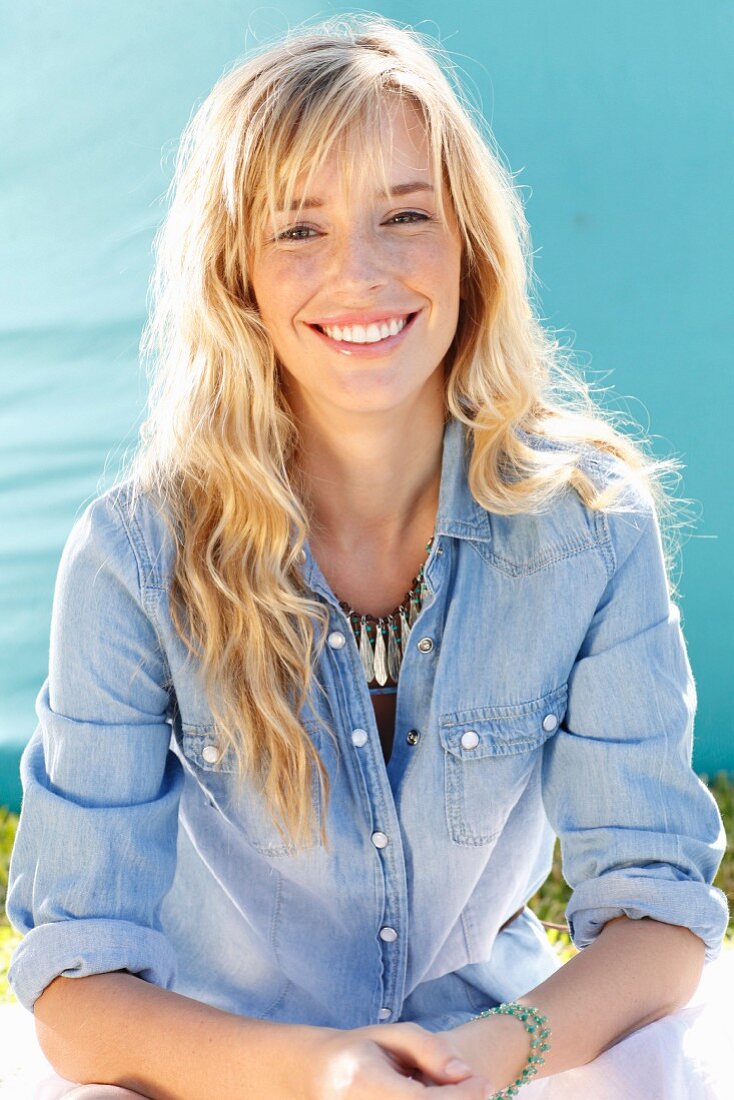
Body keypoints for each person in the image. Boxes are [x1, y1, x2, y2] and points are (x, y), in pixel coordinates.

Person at [6, 14, 730, 1100]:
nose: (360, 272)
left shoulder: (588, 523)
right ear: (236, 275)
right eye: (298, 230)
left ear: (467, 252)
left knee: (656, 1062)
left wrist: (492, 1053)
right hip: (219, 1068)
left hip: (487, 1051)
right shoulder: (130, 557)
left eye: (405, 215)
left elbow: (657, 912)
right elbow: (72, 983)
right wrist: (324, 1072)